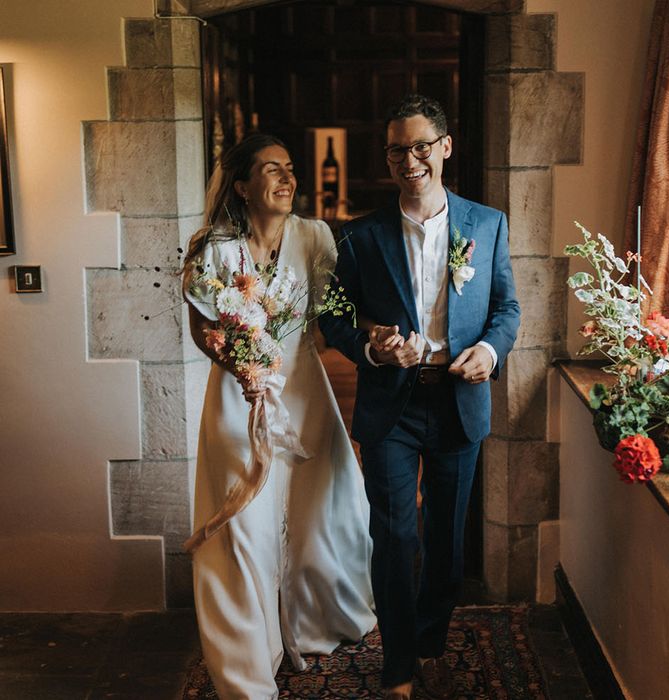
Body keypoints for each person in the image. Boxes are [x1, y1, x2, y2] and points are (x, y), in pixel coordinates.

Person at [319, 94, 521, 700]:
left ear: (444, 148)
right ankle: (399, 666)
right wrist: (374, 348)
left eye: (420, 147)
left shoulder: (487, 225)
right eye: (396, 150)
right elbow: (333, 317)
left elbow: (506, 308)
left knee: (445, 544)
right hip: (392, 406)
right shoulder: (359, 236)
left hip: (459, 400)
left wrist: (489, 351)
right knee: (395, 536)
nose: (409, 160)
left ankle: (429, 637)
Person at [181, 133, 376, 700]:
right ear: (242, 186)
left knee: (328, 507)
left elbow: (344, 304)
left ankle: (314, 625)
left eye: (290, 169)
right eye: (272, 170)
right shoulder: (215, 251)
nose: (287, 179)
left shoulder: (315, 237)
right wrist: (238, 361)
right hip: (238, 398)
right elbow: (201, 328)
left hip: (306, 390)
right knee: (245, 529)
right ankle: (249, 662)